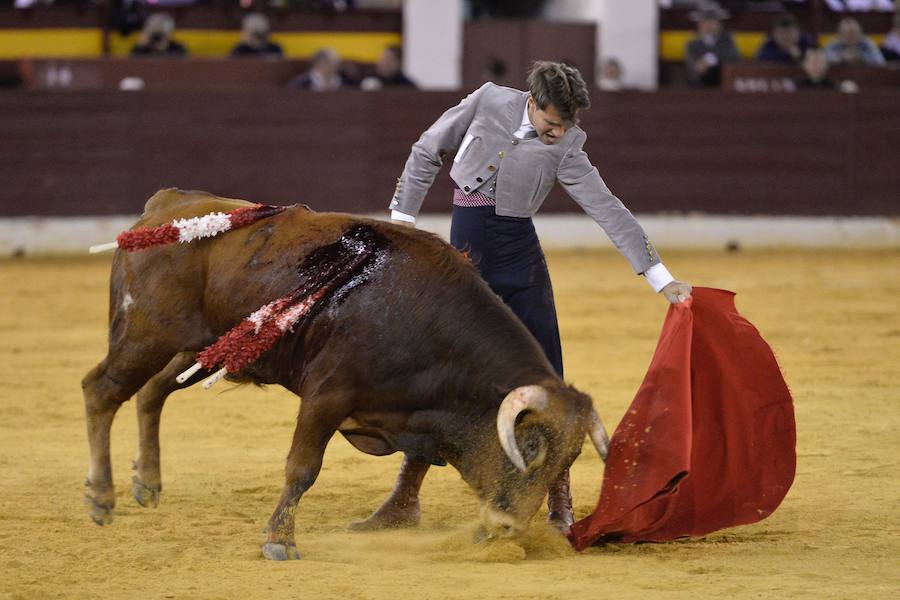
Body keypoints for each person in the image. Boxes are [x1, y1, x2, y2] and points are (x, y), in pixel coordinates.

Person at [361, 61, 691, 535]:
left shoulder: (569, 143)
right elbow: (427, 149)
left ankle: (561, 500)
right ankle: (404, 497)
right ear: (531, 102)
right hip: (465, 263)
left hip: (521, 266)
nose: (558, 132)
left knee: (546, 377)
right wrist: (401, 223)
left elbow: (606, 207)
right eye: (552, 122)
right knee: (443, 374)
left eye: (567, 124)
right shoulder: (489, 99)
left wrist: (660, 277)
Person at [685, 3, 741, 87]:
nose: (708, 25)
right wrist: (701, 65)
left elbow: (736, 61)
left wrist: (716, 60)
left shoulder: (727, 41)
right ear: (699, 24)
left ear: (719, 24)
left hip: (725, 84)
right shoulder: (692, 45)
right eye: (705, 21)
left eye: (712, 21)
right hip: (700, 87)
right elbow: (693, 68)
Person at [286, 47, 354, 90]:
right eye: (333, 62)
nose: (337, 65)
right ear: (320, 63)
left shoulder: (343, 82)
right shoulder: (300, 84)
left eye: (337, 62)